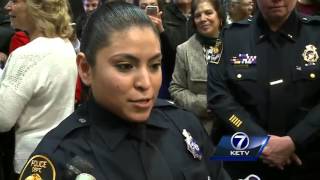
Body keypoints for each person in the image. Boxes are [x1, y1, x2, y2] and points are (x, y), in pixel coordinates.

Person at [19, 2, 230, 180]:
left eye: (154, 65)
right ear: (85, 69)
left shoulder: (184, 125)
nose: (145, 83)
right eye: (125, 66)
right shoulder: (58, 160)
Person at [207, 0, 320, 179]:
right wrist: (260, 141)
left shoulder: (316, 33)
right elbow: (218, 97)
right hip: (245, 156)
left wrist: (295, 139)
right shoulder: (230, 36)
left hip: (306, 159)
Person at [0, 0, 77, 176]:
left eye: (15, 1)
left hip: (29, 164)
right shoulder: (65, 46)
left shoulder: (25, 56)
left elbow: (2, 120)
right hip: (60, 156)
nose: (7, 6)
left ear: (37, 7)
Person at [169, 0, 223, 134]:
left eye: (208, 13)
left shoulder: (236, 43)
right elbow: (176, 89)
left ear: (219, 16)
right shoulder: (184, 50)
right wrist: (206, 104)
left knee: (236, 154)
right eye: (198, 15)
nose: (203, 19)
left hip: (236, 124)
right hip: (201, 128)